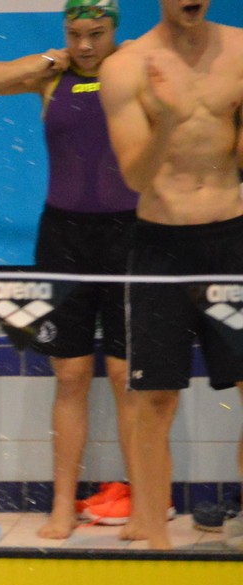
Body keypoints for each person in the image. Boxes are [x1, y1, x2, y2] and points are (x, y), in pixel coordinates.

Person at [0, 0, 137, 538]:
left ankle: (147, 500)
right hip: (63, 238)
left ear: (114, 29)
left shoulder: (135, 67)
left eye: (96, 33)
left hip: (130, 235)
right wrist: (42, 63)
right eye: (75, 33)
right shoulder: (51, 76)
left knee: (126, 375)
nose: (85, 45)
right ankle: (62, 504)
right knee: (71, 375)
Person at [99, 0, 243, 550]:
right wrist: (163, 120)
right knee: (154, 403)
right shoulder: (126, 67)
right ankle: (158, 545)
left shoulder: (240, 50)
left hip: (232, 242)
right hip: (161, 249)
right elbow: (136, 176)